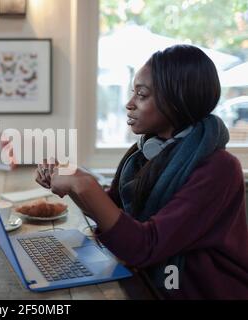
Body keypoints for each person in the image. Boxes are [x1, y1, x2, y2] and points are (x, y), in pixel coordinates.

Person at [36, 45, 248, 299]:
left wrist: (85, 185)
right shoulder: (145, 152)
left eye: (142, 94)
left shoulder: (219, 170)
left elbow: (146, 246)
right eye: (132, 93)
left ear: (177, 100)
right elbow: (111, 211)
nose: (129, 104)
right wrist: (71, 181)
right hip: (145, 277)